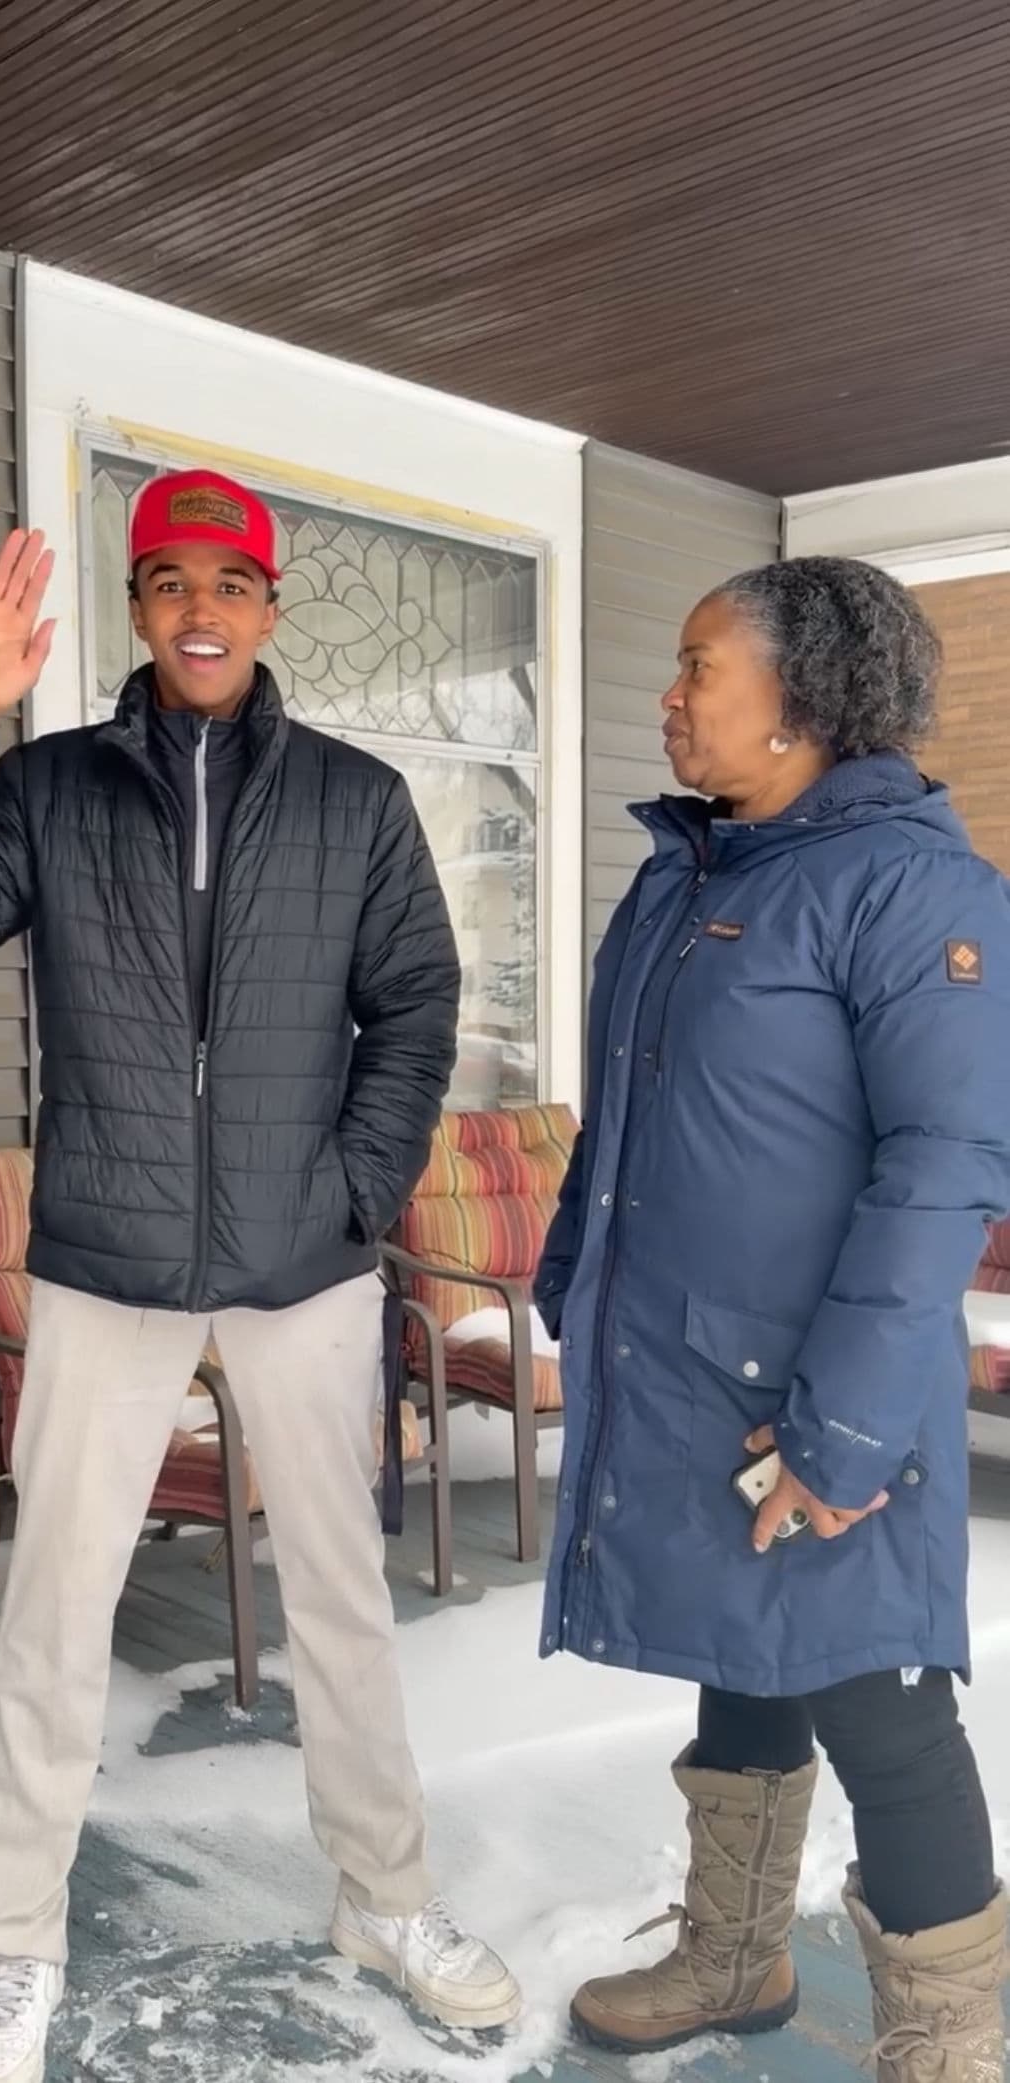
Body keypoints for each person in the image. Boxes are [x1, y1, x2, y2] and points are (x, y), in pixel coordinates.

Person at [0, 468, 520, 2083]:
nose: (201, 607)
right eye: (167, 581)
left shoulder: (356, 800)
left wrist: (353, 1192)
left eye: (230, 580)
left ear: (271, 609)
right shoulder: (56, 786)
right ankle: (18, 1945)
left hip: (302, 1266)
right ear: (137, 611)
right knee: (58, 1613)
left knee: (346, 1607)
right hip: (107, 1260)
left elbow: (417, 1006)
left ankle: (388, 1895)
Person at [534, 558, 1010, 2081]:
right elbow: (624, 1118)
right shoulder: (692, 870)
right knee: (734, 1646)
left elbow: (946, 1168)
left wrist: (847, 1429)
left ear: (802, 699)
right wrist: (572, 1285)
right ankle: (735, 1961)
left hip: (830, 1389)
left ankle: (945, 2043)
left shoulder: (914, 885)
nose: (668, 698)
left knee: (880, 1706)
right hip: (690, 1370)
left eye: (695, 667)